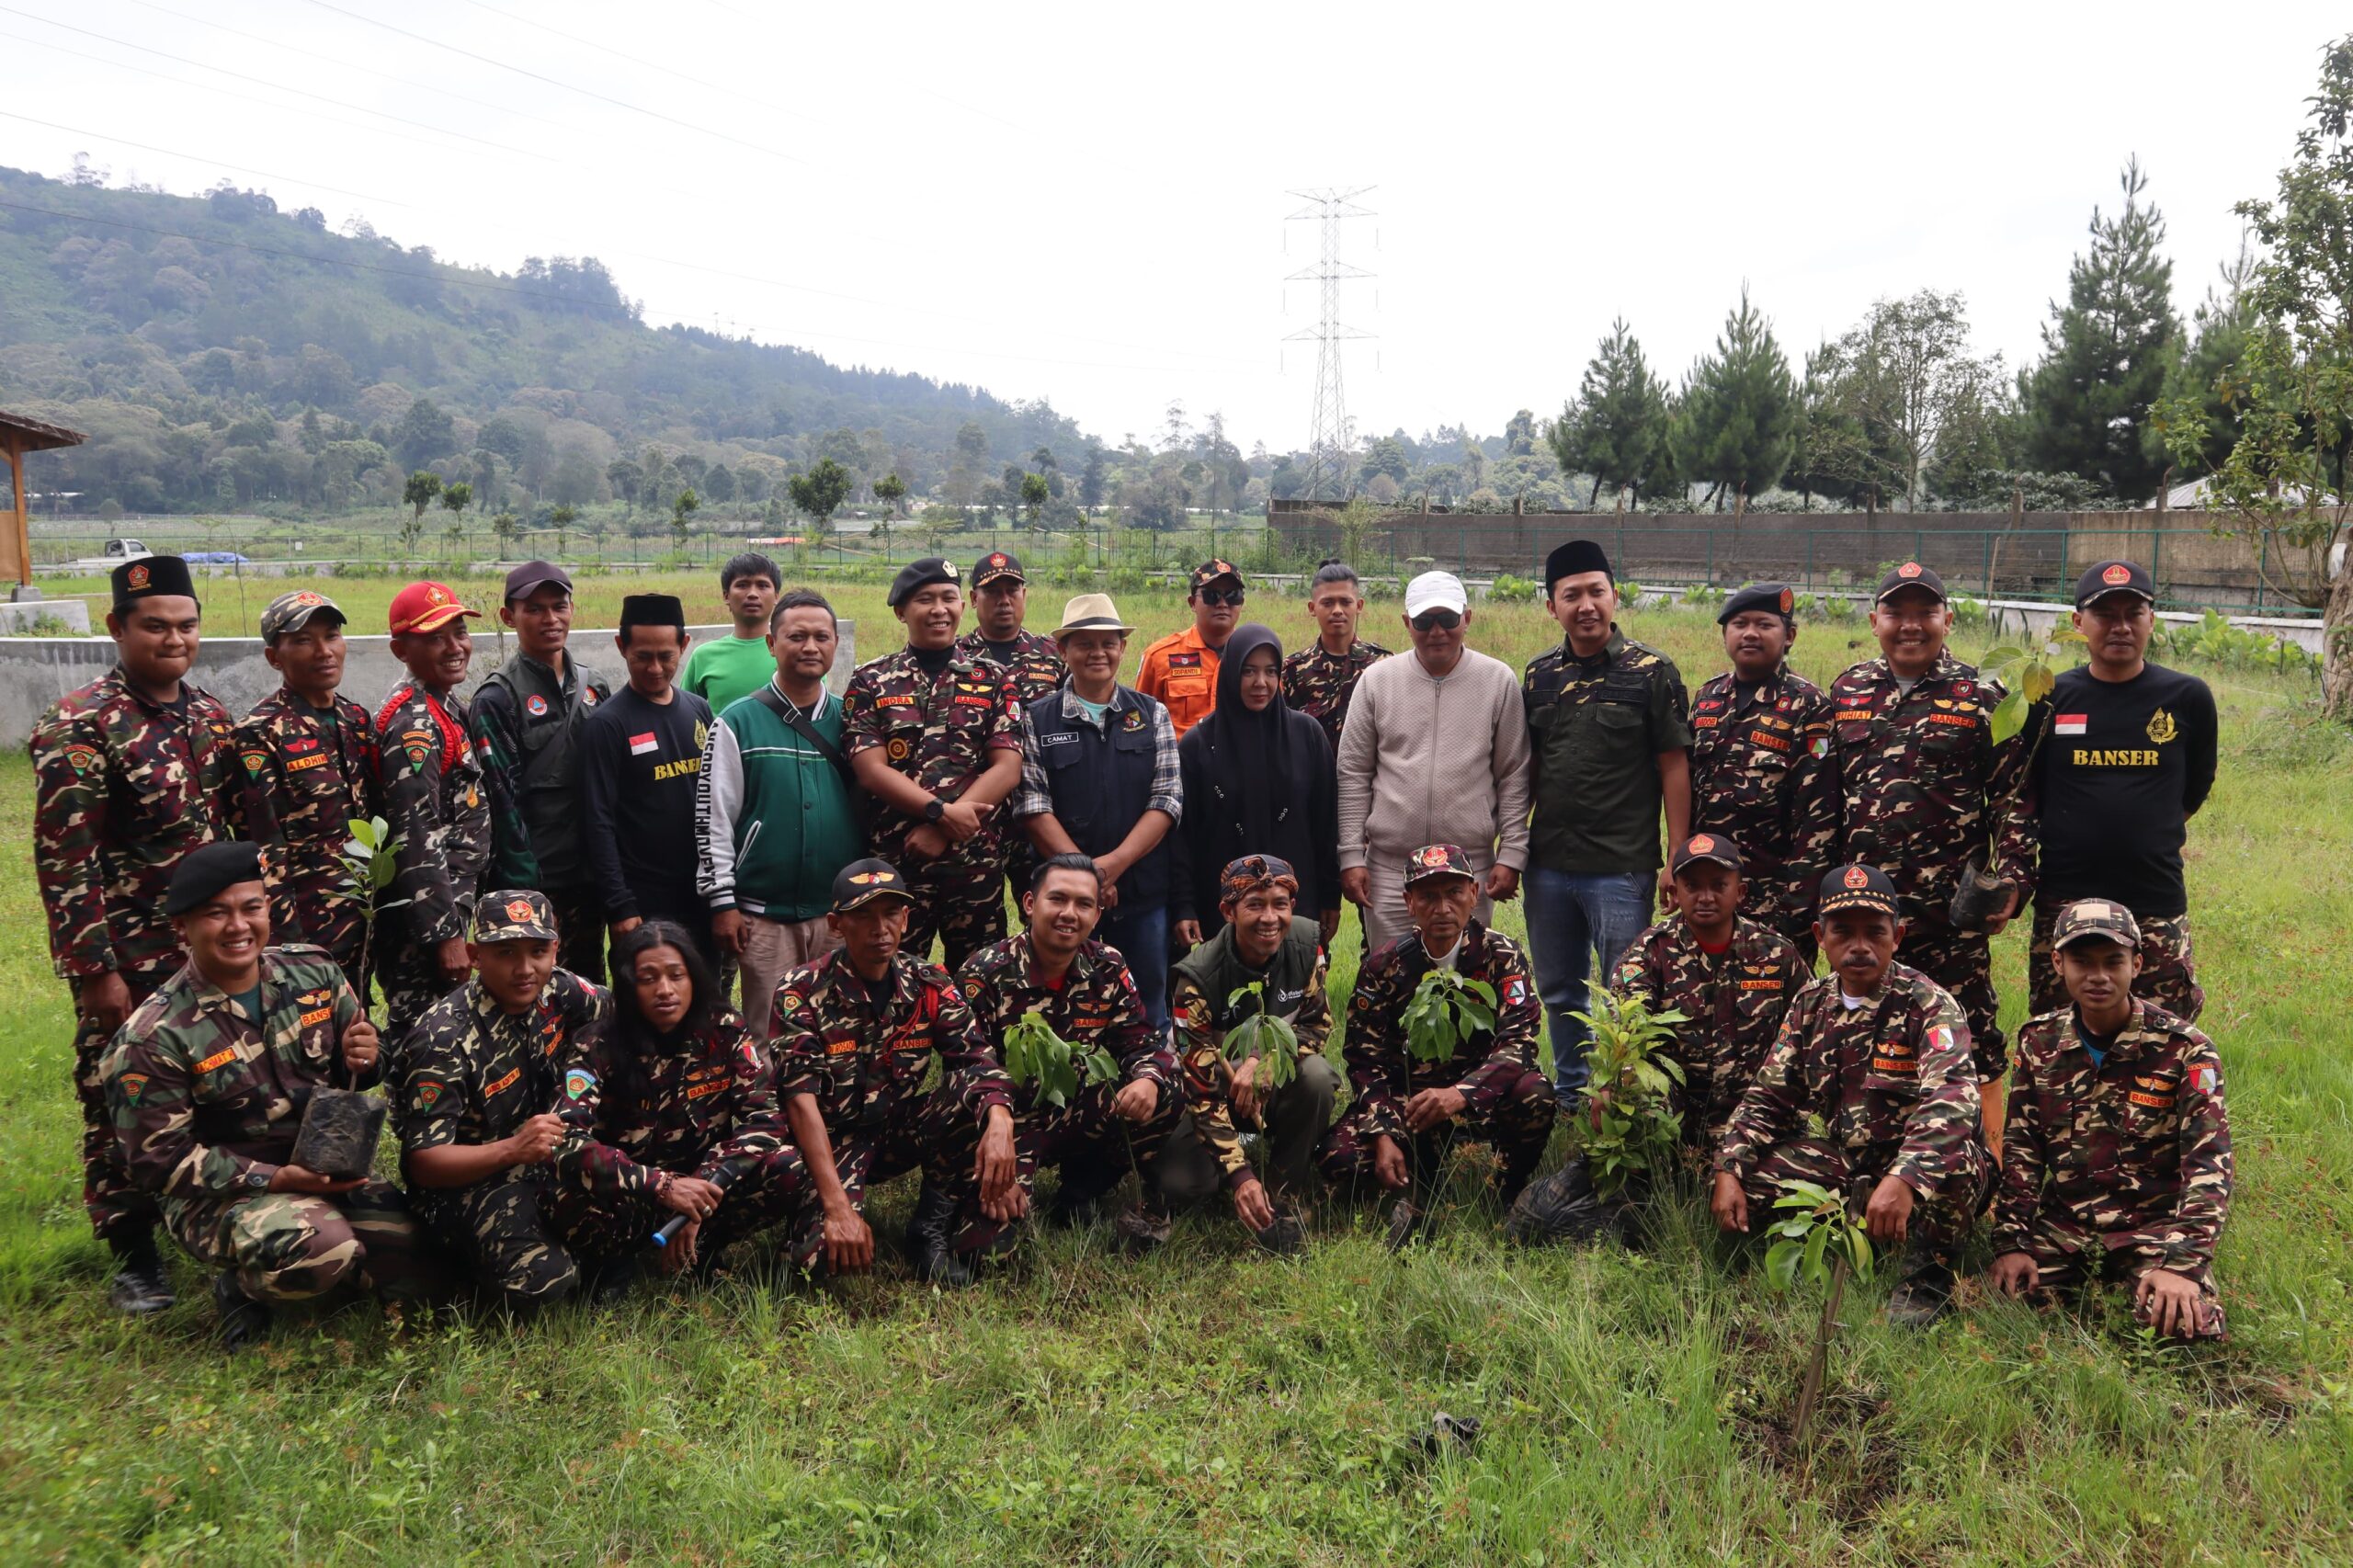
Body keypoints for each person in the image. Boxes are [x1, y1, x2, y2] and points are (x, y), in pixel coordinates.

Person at [103, 843, 437, 1348]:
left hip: (322, 1167)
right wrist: (275, 1177)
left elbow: (360, 1070)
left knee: (418, 1256)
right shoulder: (154, 1036)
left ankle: (322, 1260)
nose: (238, 926)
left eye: (250, 907)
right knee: (320, 1249)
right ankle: (242, 1289)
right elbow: (158, 1163)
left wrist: (371, 1056)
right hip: (222, 1192)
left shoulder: (314, 973)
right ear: (182, 928)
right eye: (216, 914)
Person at [30, 552, 240, 1314]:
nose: (174, 639)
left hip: (209, 952)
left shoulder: (209, 716)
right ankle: (135, 1257)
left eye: (186, 626)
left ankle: (221, 1235)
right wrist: (93, 971)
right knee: (117, 1095)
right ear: (119, 627)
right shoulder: (79, 725)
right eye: (155, 626)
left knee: (220, 1086)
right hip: (128, 953)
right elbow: (66, 859)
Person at [1711, 865, 1990, 1328]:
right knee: (1748, 1173)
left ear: (1897, 936)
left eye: (1874, 932)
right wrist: (1729, 1166)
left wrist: (1904, 1179)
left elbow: (1953, 1105)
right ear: (1821, 935)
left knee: (1958, 1164)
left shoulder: (1928, 1004)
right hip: (1849, 1165)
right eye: (1843, 931)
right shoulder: (1810, 1005)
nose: (1859, 946)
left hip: (1914, 1172)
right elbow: (1768, 1098)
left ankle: (1925, 1277)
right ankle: (1831, 1244)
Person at [1826, 561, 2036, 1094]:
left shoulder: (1983, 693)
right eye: (1897, 612)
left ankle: (1990, 1160)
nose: (1911, 625)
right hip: (1864, 909)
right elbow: (1828, 797)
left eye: (1926, 612)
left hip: (1950, 905)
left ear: (1948, 620)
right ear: (1875, 620)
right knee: (1869, 1030)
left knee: (1972, 1034)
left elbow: (2015, 797)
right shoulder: (1848, 690)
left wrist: (2014, 878)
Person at [767, 859, 1025, 1287]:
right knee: (817, 1266)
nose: (879, 928)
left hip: (897, 1128)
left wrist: (1000, 1123)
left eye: (890, 914)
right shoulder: (801, 990)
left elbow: (976, 1059)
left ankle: (930, 1229)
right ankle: (817, 1215)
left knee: (972, 1093)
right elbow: (799, 1100)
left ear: (906, 919)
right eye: (863, 915)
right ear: (836, 923)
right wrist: (836, 1207)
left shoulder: (929, 982)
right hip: (830, 1140)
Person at [1990, 900, 2230, 1340]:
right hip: (2066, 1224)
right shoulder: (2038, 1042)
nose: (2097, 976)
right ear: (2059, 963)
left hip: (2151, 1228)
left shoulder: (2185, 1049)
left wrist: (2183, 1265)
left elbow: (2209, 1165)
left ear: (2137, 964)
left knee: (2181, 1324)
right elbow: (2022, 1151)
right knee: (2003, 1301)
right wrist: (2013, 1242)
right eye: (2082, 961)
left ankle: (2148, 1284)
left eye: (2113, 961)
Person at [550, 921, 816, 1286]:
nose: (665, 990)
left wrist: (700, 1191)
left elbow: (765, 1119)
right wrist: (663, 1186)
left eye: (677, 975)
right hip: (631, 1192)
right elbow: (567, 1139)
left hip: (704, 1183)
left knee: (787, 1166)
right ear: (628, 987)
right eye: (648, 979)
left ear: (694, 978)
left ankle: (703, 1248)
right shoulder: (595, 1045)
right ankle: (613, 1261)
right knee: (561, 1189)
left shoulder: (724, 1030)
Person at [1521, 540, 1692, 1108]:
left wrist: (1677, 856)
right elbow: (1531, 767)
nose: (1586, 605)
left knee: (1626, 995)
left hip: (1621, 868)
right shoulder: (1540, 675)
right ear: (1552, 606)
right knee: (1560, 990)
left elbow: (1673, 766)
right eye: (1571, 595)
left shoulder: (1652, 672)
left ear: (1615, 596)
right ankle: (1572, 1096)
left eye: (1596, 592)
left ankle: (1621, 1101)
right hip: (1547, 868)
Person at [1316, 844, 1552, 1248]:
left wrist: (1461, 1094)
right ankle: (1412, 1185)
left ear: (1474, 895)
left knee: (1536, 1095)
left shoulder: (1502, 955)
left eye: (1454, 893)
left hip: (1477, 1104)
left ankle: (1506, 1189)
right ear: (1409, 902)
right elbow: (1364, 1059)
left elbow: (1520, 1042)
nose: (1442, 907)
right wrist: (1384, 1131)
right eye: (1427, 896)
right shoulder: (1383, 966)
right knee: (1338, 1159)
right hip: (1410, 1106)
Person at [392, 891, 608, 1316]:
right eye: (506, 952)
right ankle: (445, 1266)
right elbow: (424, 1163)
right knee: (544, 1278)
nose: (525, 969)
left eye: (538, 952)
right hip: (466, 1185)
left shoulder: (561, 990)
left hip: (544, 1160)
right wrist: (513, 1149)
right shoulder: (442, 1037)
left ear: (555, 950)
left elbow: (625, 1015)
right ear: (474, 956)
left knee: (629, 1214)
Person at [2024, 560, 2217, 1021]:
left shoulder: (2187, 697)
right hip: (2066, 895)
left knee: (2162, 1038)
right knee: (2059, 1037)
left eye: (2134, 613)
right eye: (2105, 615)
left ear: (2152, 619)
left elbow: (2194, 788)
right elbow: (2030, 788)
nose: (2121, 626)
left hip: (2152, 894)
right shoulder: (2050, 697)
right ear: (2078, 623)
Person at [956, 855, 1180, 1249]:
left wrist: (1146, 1078)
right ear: (1029, 904)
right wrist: (998, 1119)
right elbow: (967, 1062)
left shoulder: (1107, 965)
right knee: (985, 1247)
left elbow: (1140, 1041)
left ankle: (1080, 1192)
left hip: (1071, 1111)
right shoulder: (985, 971)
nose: (1069, 914)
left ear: (1097, 914)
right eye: (1057, 899)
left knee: (1166, 1089)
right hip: (1003, 1123)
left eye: (1083, 904)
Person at [843, 559, 1025, 971]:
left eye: (948, 598)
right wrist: (938, 812)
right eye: (925, 600)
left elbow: (1007, 767)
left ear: (963, 605)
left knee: (981, 978)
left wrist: (947, 828)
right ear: (900, 612)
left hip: (975, 863)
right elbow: (870, 769)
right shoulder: (871, 680)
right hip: (899, 863)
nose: (939, 609)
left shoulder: (994, 678)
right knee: (893, 977)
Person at [1337, 570, 1532, 954]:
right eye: (1425, 621)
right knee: (1392, 983)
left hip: (1467, 869)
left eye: (1448, 619)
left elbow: (1514, 772)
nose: (1437, 631)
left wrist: (1511, 853)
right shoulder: (1377, 681)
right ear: (1407, 623)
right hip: (1392, 872)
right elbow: (1353, 773)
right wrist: (1349, 855)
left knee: (1463, 985)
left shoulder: (1497, 681)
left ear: (1468, 618)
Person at [1012, 594, 1180, 1031]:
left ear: (1122, 649)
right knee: (1060, 1010)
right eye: (1084, 644)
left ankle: (1149, 1090)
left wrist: (1112, 866)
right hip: (1064, 901)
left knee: (1147, 1007)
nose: (1098, 653)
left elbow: (1165, 801)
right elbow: (1033, 806)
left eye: (1108, 642)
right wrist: (1086, 877)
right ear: (1063, 651)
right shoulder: (1036, 719)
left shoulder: (1152, 714)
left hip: (1141, 895)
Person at [1156, 855, 1338, 1255]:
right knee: (1182, 1186)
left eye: (1280, 904)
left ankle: (1283, 1187)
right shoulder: (1196, 976)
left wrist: (1265, 1062)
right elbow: (1199, 1088)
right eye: (1254, 905)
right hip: (1213, 1092)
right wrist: (1239, 1175)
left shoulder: (1309, 945)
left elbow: (1316, 1026)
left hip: (1271, 1084)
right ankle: (1236, 1171)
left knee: (1319, 1077)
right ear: (1228, 911)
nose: (1269, 918)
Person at [699, 589, 858, 1038]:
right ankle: (767, 1108)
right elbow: (714, 820)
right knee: (769, 1030)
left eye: (822, 637)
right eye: (797, 636)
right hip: (762, 914)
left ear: (834, 645)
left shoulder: (851, 721)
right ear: (771, 644)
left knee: (834, 1027)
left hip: (835, 911)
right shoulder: (736, 722)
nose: (810, 647)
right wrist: (723, 902)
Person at [1605, 835, 1810, 1141]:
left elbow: (1810, 1029)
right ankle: (1650, 1170)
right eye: (1692, 886)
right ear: (1675, 891)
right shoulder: (1649, 953)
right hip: (1676, 1112)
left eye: (1718, 885)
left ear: (1740, 892)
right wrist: (1610, 1087)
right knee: (1631, 1086)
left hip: (1756, 1110)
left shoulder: (1776, 954)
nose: (1705, 897)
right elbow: (1623, 1032)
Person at [231, 589, 381, 1001]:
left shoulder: (355, 720)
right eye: (302, 640)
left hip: (363, 918)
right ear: (273, 657)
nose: (323, 651)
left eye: (331, 636)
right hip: (307, 930)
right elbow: (264, 849)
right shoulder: (259, 734)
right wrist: (288, 948)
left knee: (358, 1031)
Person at [471, 560, 613, 982]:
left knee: (589, 985)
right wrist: (525, 886)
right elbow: (501, 798)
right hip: (536, 880)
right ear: (508, 617)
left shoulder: (594, 686)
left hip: (589, 872)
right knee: (534, 989)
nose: (550, 619)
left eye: (559, 606)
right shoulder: (497, 697)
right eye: (534, 609)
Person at [1687, 583, 1837, 958]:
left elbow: (1819, 810)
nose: (1750, 633)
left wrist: (1799, 903)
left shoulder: (1810, 706)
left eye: (1764, 624)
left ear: (1789, 637)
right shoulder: (1707, 699)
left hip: (1776, 897)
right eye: (1739, 623)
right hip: (1710, 891)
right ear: (1725, 633)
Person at [374, 580, 493, 1040]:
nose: (455, 646)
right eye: (435, 637)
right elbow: (414, 834)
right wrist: (445, 936)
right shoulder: (414, 725)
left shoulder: (442, 704)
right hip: (423, 929)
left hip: (451, 906)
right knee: (427, 1041)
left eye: (459, 632)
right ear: (400, 649)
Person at [1175, 623, 1340, 948]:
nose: (1260, 683)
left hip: (1296, 903)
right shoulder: (1198, 744)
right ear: (1230, 673)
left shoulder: (1306, 735)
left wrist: (1330, 895)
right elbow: (1183, 836)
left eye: (1270, 671)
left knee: (1298, 992)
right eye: (1248, 671)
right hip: (1221, 906)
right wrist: (1183, 904)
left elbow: (1326, 824)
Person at [580, 595, 715, 962]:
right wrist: (619, 905)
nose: (655, 668)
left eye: (666, 656)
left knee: (704, 1000)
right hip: (644, 902)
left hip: (700, 893)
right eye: (642, 657)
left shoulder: (698, 710)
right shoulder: (607, 725)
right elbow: (598, 821)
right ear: (622, 647)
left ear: (684, 646)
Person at [1282, 558, 1390, 754]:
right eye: (1328, 603)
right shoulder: (1292, 671)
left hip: (1366, 779)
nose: (1337, 610)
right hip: (1311, 779)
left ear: (1359, 606)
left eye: (1345, 602)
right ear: (1312, 608)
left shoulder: (1383, 665)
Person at [1134, 559, 1245, 736]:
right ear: (1192, 602)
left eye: (1233, 595)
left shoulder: (1257, 656)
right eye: (1212, 595)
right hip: (1181, 762)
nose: (1223, 604)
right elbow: (1139, 721)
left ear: (1242, 602)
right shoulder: (1159, 656)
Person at [955, 550, 1066, 708]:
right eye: (993, 592)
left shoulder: (1055, 654)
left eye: (1012, 591)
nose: (1004, 601)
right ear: (974, 599)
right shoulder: (956, 657)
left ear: (1024, 595)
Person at [682, 551, 783, 713]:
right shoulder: (703, 656)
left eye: (763, 585)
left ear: (777, 596)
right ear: (726, 596)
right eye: (742, 585)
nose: (752, 594)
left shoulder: (793, 652)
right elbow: (685, 715)